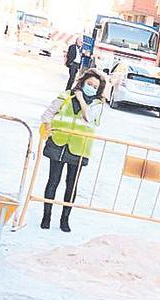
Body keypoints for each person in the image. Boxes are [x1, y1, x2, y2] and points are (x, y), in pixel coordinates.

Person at [38, 69, 105, 232]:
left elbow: (88, 117)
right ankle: (46, 216)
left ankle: (64, 219)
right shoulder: (66, 96)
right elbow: (47, 114)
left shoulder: (97, 104)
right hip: (58, 144)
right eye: (89, 84)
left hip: (79, 148)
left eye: (95, 86)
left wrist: (82, 99)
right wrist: (48, 128)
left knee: (71, 185)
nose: (91, 87)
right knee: (53, 181)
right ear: (82, 82)